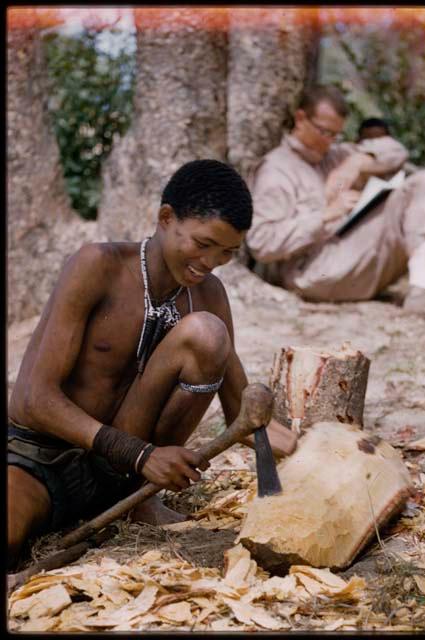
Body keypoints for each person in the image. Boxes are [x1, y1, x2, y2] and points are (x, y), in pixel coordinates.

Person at [7, 159, 297, 569]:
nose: (210, 262)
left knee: (207, 334)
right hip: (44, 458)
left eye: (227, 253)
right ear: (165, 218)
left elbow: (242, 415)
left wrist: (308, 449)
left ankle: (136, 501)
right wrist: (142, 454)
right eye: (202, 243)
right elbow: (34, 400)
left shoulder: (209, 295)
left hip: (121, 474)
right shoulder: (97, 266)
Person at [245, 86, 425, 311]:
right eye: (324, 132)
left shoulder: (336, 155)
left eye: (336, 135)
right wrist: (325, 216)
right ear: (301, 118)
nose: (330, 141)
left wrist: (358, 161)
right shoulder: (276, 169)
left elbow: (396, 151)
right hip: (313, 271)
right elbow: (262, 243)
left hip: (351, 259)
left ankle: (423, 285)